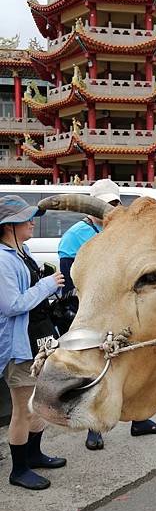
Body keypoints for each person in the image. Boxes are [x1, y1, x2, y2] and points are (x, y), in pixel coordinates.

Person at [58, 179, 156, 451]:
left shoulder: (124, 228)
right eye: (105, 205)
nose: (110, 209)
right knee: (92, 365)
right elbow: (71, 278)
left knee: (135, 361)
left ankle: (140, 419)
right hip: (92, 312)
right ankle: (93, 429)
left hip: (125, 310)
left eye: (113, 203)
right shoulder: (74, 236)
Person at [0, 195, 67, 490]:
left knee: (39, 401)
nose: (31, 222)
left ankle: (35, 454)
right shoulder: (2, 260)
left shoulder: (23, 250)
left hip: (40, 336)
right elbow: (12, 304)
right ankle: (19, 468)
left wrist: (47, 284)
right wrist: (46, 285)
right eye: (25, 219)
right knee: (23, 407)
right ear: (9, 226)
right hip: (20, 344)